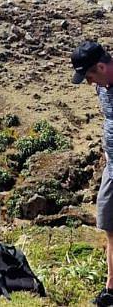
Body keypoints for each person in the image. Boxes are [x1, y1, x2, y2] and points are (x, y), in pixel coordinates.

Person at [71, 42, 113, 306]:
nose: (89, 83)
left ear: (101, 66)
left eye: (89, 76)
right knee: (109, 222)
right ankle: (112, 288)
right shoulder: (102, 87)